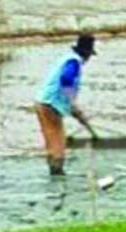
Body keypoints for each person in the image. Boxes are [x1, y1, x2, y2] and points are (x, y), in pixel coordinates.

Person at [35, 33, 97, 176]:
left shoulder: (66, 58)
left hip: (42, 102)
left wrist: (74, 110)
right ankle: (58, 177)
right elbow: (66, 79)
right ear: (87, 54)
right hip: (50, 105)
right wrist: (72, 102)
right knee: (58, 143)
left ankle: (53, 172)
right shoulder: (74, 62)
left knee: (52, 142)